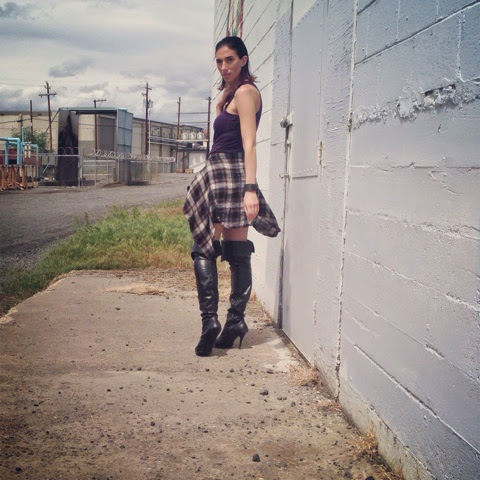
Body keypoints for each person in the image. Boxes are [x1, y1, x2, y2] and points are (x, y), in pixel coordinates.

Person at [183, 36, 280, 357]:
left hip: (232, 174)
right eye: (219, 61)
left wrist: (250, 189)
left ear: (243, 60)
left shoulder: (246, 93)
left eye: (229, 60)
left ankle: (218, 321)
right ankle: (227, 321)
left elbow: (249, 143)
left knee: (215, 247)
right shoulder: (229, 96)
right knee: (228, 249)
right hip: (221, 172)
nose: (223, 67)